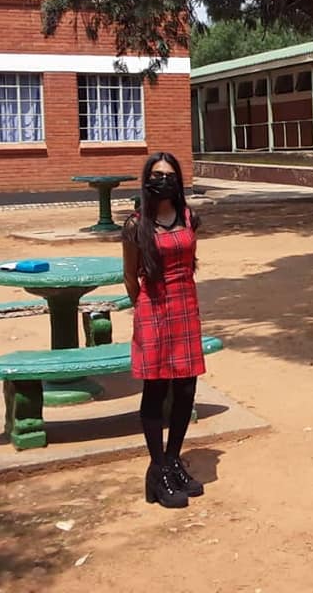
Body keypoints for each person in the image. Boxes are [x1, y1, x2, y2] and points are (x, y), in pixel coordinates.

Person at [123, 152, 206, 507]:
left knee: (186, 388)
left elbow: (190, 260)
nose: (163, 180)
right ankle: (157, 471)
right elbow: (130, 276)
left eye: (169, 175)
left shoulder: (189, 217)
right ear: (146, 180)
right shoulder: (135, 225)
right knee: (156, 389)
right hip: (154, 307)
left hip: (185, 305)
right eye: (156, 175)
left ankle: (173, 460)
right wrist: (144, 310)